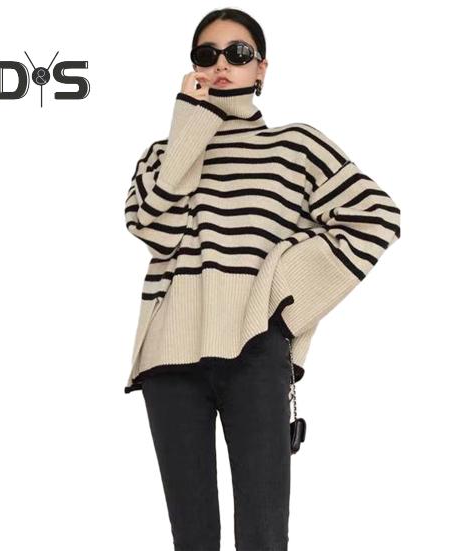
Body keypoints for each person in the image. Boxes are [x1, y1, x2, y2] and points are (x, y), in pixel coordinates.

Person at [124, 8, 401, 551]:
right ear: (192, 68)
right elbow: (152, 227)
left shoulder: (296, 147)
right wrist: (191, 123)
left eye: (238, 53)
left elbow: (375, 216)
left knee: (264, 536)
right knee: (192, 539)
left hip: (255, 349)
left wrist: (283, 292)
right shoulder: (163, 153)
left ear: (261, 68)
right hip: (169, 356)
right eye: (206, 54)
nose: (221, 64)